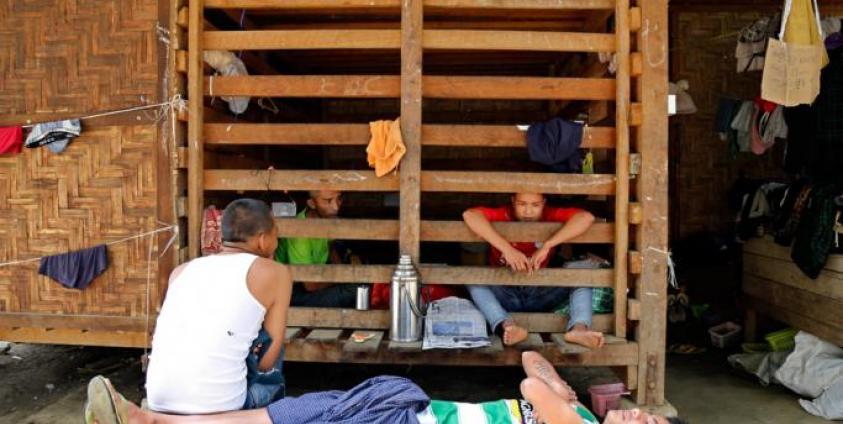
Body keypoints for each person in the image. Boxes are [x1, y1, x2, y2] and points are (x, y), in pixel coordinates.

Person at [84, 351, 687, 424]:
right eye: (650, 418)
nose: (640, 417)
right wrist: (561, 390)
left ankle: (150, 423)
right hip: (415, 410)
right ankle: (152, 423)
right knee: (295, 413)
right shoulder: (579, 419)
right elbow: (531, 361)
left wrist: (559, 390)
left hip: (408, 420)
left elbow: (532, 377)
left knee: (296, 415)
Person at [144, 199, 293, 414]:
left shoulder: (182, 271)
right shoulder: (275, 273)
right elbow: (267, 361)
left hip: (159, 399)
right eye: (275, 235)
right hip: (221, 405)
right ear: (262, 240)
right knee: (271, 349)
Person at [462, 192, 605, 348]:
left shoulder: (549, 214)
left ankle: (579, 330)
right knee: (472, 278)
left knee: (581, 274)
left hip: (540, 293)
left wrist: (547, 245)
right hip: (504, 293)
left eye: (535, 205)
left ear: (544, 203)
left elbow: (586, 218)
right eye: (522, 204)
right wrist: (506, 249)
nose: (528, 211)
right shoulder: (503, 214)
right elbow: (470, 215)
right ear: (512, 202)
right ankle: (507, 326)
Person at [275, 190, 356, 308]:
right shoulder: (299, 232)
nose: (336, 206)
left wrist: (343, 272)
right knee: (353, 292)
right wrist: (341, 278)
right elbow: (310, 285)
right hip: (291, 291)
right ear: (312, 203)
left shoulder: (325, 222)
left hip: (316, 280)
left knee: (358, 288)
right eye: (328, 201)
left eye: (339, 198)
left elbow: (331, 248)